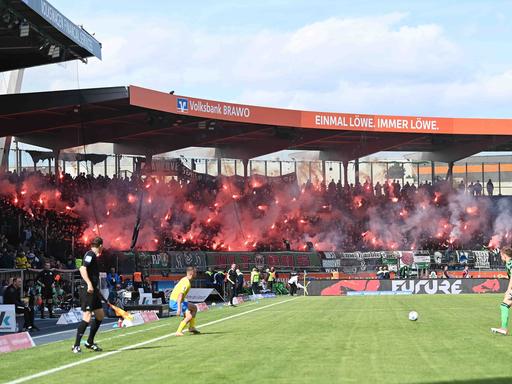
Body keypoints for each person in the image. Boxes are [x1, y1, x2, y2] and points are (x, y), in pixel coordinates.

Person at [72, 237, 105, 354]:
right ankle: (76, 345)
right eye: (102, 246)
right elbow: (82, 268)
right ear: (100, 245)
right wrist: (89, 284)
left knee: (100, 315)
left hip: (93, 290)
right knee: (87, 316)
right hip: (87, 290)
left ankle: (89, 342)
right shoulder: (90, 254)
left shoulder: (93, 255)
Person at [169, 266, 200, 336]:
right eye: (195, 272)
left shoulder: (185, 280)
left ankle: (192, 327)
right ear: (191, 273)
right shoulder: (186, 283)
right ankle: (178, 331)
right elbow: (180, 295)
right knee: (189, 316)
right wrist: (179, 309)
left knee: (194, 307)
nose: (196, 274)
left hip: (177, 301)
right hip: (175, 302)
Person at [492, 247, 512, 335]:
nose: (501, 257)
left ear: (504, 255)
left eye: (501, 255)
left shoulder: (510, 263)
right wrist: (504, 277)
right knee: (504, 305)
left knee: (504, 306)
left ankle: (503, 328)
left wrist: (508, 290)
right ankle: (503, 328)